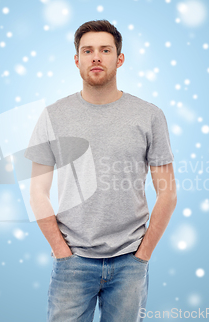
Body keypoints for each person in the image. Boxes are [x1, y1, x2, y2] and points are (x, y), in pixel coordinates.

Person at [24, 19, 177, 322]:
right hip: (72, 262)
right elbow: (37, 192)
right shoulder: (53, 116)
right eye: (88, 50)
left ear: (119, 59)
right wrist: (60, 251)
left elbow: (168, 193)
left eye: (105, 50)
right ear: (77, 60)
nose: (96, 57)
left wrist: (143, 255)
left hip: (129, 262)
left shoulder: (149, 115)